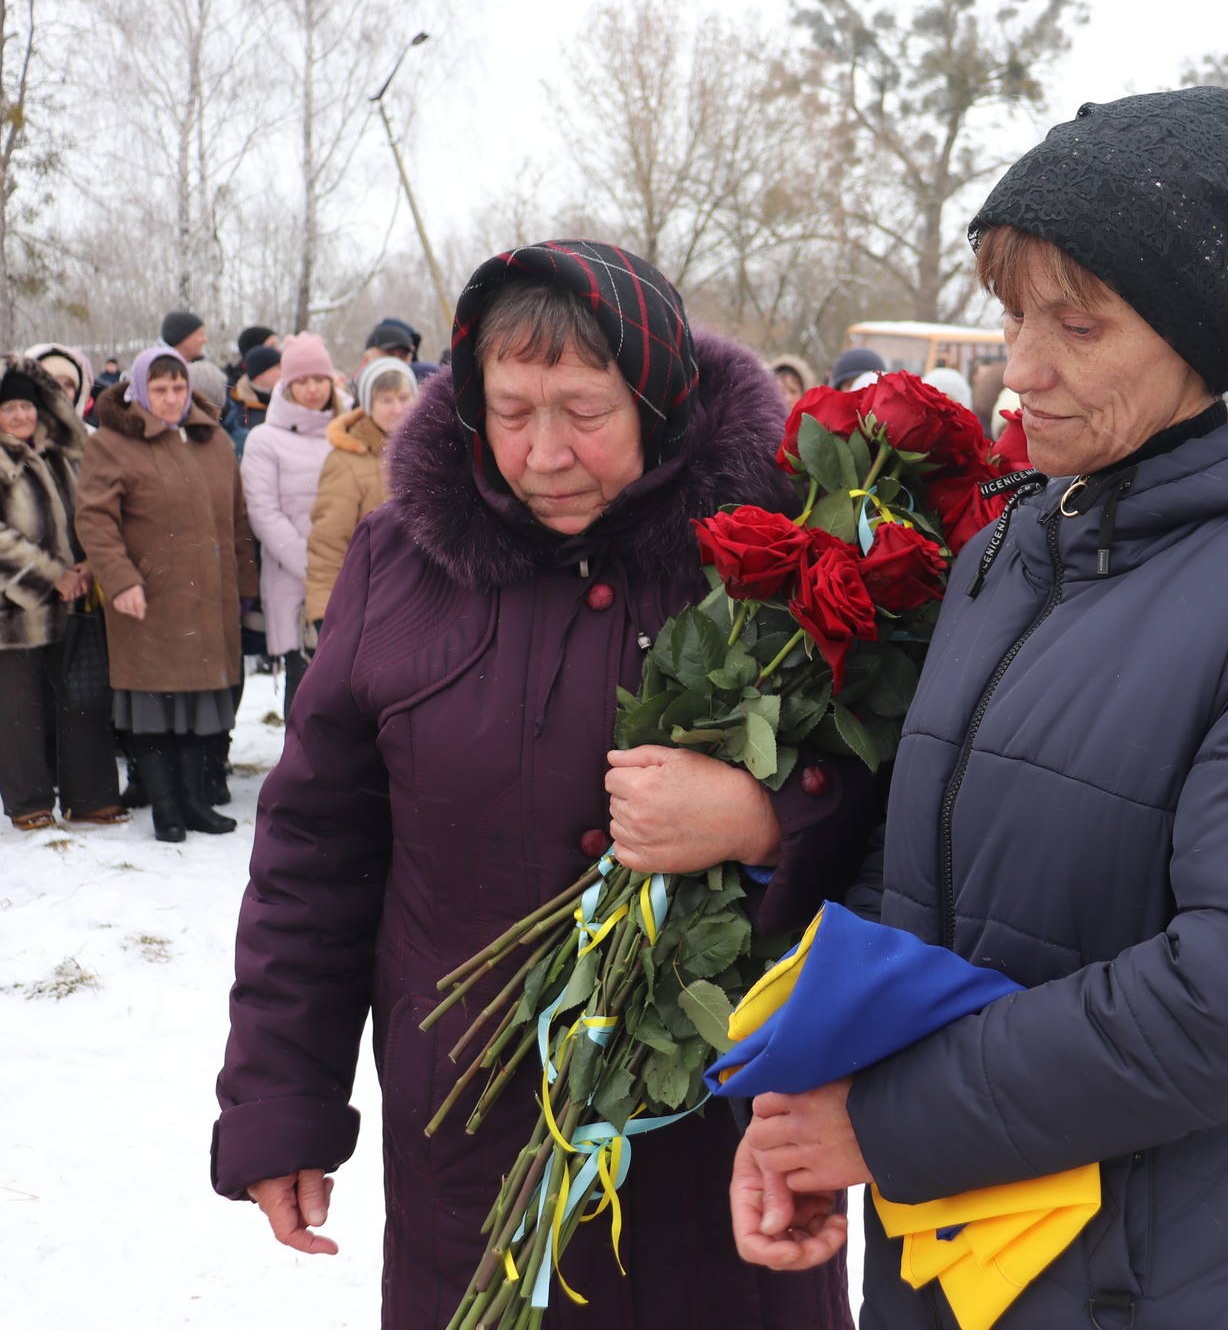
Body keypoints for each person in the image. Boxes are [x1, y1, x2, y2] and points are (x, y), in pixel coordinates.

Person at [732, 88, 1228, 1330]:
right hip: (953, 1246)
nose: (1020, 368)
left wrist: (885, 1126)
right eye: (1009, 315)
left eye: (1078, 326)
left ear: (1206, 343)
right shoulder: (1012, 553)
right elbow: (916, 876)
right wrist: (803, 1112)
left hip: (1153, 1277)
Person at [213, 241, 871, 1329]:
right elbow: (315, 855)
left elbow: (907, 808)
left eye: (583, 410)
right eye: (510, 410)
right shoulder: (402, 561)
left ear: (659, 398)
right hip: (475, 1151)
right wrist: (281, 1099)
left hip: (727, 1152)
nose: (543, 453)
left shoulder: (777, 556)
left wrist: (768, 821)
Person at [76, 346, 255, 842]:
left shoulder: (213, 440)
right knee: (154, 704)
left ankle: (195, 803)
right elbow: (94, 519)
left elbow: (238, 520)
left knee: (199, 704)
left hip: (208, 598)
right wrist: (122, 579)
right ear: (138, 391)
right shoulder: (112, 444)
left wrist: (244, 583)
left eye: (179, 387)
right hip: (149, 597)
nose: (172, 397)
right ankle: (166, 809)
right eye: (160, 388)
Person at [0, 355, 125, 829]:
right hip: (3, 605)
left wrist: (92, 560)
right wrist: (53, 574)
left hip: (75, 597)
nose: (22, 417)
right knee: (17, 707)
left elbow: (91, 511)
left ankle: (90, 797)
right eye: (9, 409)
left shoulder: (63, 451)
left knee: (82, 698)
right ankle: (29, 804)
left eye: (27, 408)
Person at [241, 333, 340, 713]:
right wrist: (317, 566)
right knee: (306, 697)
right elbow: (264, 513)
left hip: (353, 581)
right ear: (287, 384)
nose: (312, 389)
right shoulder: (265, 440)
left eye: (319, 379)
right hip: (295, 585)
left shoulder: (346, 432)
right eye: (302, 380)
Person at [302, 358, 414, 627]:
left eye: (403, 397)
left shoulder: (432, 451)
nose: (398, 409)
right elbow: (328, 545)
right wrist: (324, 614)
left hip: (427, 602)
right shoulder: (346, 461)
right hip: (374, 607)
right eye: (386, 400)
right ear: (367, 405)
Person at [223, 346, 280, 458]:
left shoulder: (285, 401)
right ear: (260, 373)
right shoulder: (235, 406)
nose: (283, 372)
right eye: (278, 368)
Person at [25, 343, 94, 419]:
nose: (62, 391)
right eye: (52, 384)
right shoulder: (13, 430)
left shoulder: (86, 430)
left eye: (68, 385)